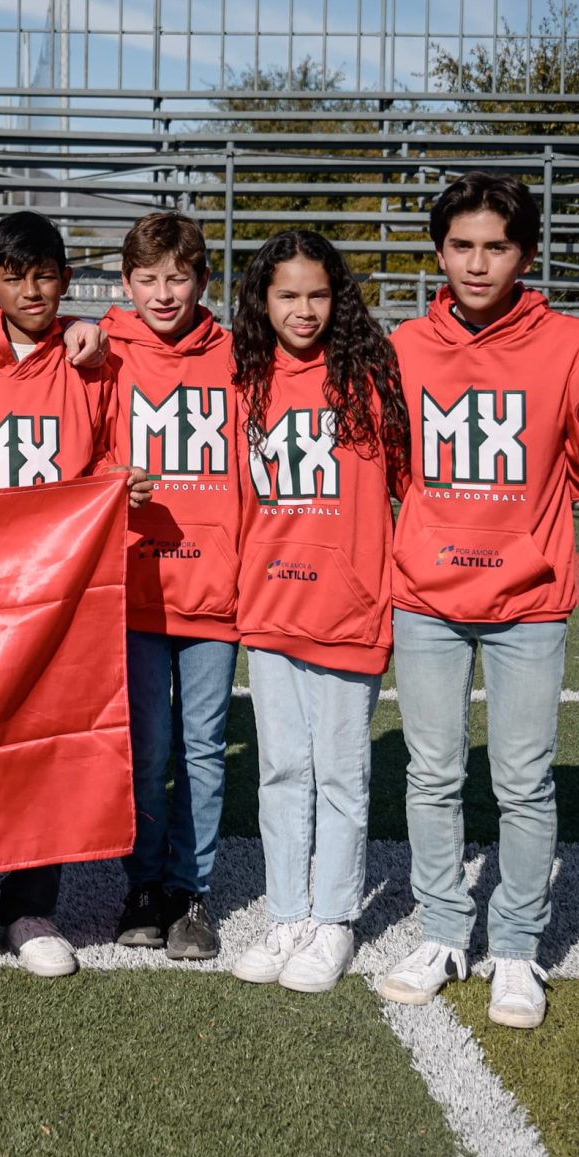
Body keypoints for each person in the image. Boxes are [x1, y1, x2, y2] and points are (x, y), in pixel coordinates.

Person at [0, 211, 151, 990]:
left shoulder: (88, 364)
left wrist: (126, 487)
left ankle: (32, 909)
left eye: (46, 275)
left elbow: (110, 456)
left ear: (66, 280)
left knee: (49, 750)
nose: (32, 290)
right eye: (14, 276)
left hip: (59, 595)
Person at [376, 173, 579, 1029]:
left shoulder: (570, 342)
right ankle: (441, 931)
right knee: (431, 775)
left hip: (529, 599)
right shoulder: (405, 344)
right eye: (461, 245)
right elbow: (391, 463)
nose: (477, 261)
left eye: (495, 246)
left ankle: (518, 948)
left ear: (526, 253)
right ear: (439, 251)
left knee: (524, 780)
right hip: (427, 593)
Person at [228, 230, 407, 997]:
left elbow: (410, 485)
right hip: (269, 603)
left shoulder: (373, 376)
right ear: (261, 301)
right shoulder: (243, 378)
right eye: (286, 295)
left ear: (340, 298)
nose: (303, 310)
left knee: (340, 774)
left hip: (346, 607)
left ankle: (334, 918)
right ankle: (287, 912)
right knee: (280, 771)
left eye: (317, 294)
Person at [100, 213, 237, 963]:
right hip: (136, 585)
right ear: (126, 284)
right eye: (147, 279)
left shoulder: (238, 357)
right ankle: (143, 885)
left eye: (178, 277)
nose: (163, 292)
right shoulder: (101, 352)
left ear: (202, 281)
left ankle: (192, 890)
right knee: (147, 750)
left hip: (215, 587)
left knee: (204, 748)